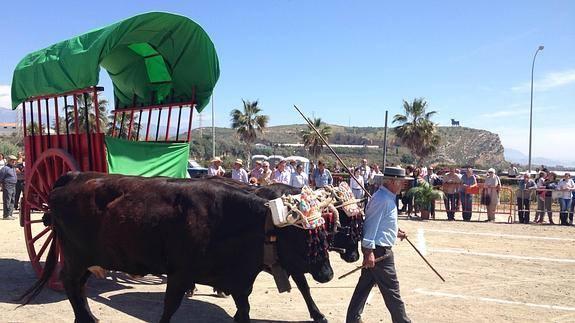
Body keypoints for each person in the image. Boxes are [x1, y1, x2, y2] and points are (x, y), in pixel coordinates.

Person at [346, 167, 411, 323]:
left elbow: (381, 223)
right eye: (401, 182)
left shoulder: (386, 198)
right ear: (391, 182)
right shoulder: (382, 200)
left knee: (363, 288)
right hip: (380, 253)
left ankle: (352, 320)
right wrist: (368, 253)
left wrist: (394, 230)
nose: (403, 185)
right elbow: (370, 225)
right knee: (392, 291)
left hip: (379, 250)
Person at [0, 155, 18, 220]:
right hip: (7, 185)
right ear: (9, 161)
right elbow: (1, 178)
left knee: (12, 200)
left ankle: (10, 214)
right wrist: (1, 185)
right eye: (12, 160)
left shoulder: (13, 168)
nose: (14, 161)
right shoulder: (5, 168)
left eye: (15, 160)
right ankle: (6, 215)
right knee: (7, 200)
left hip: (13, 185)